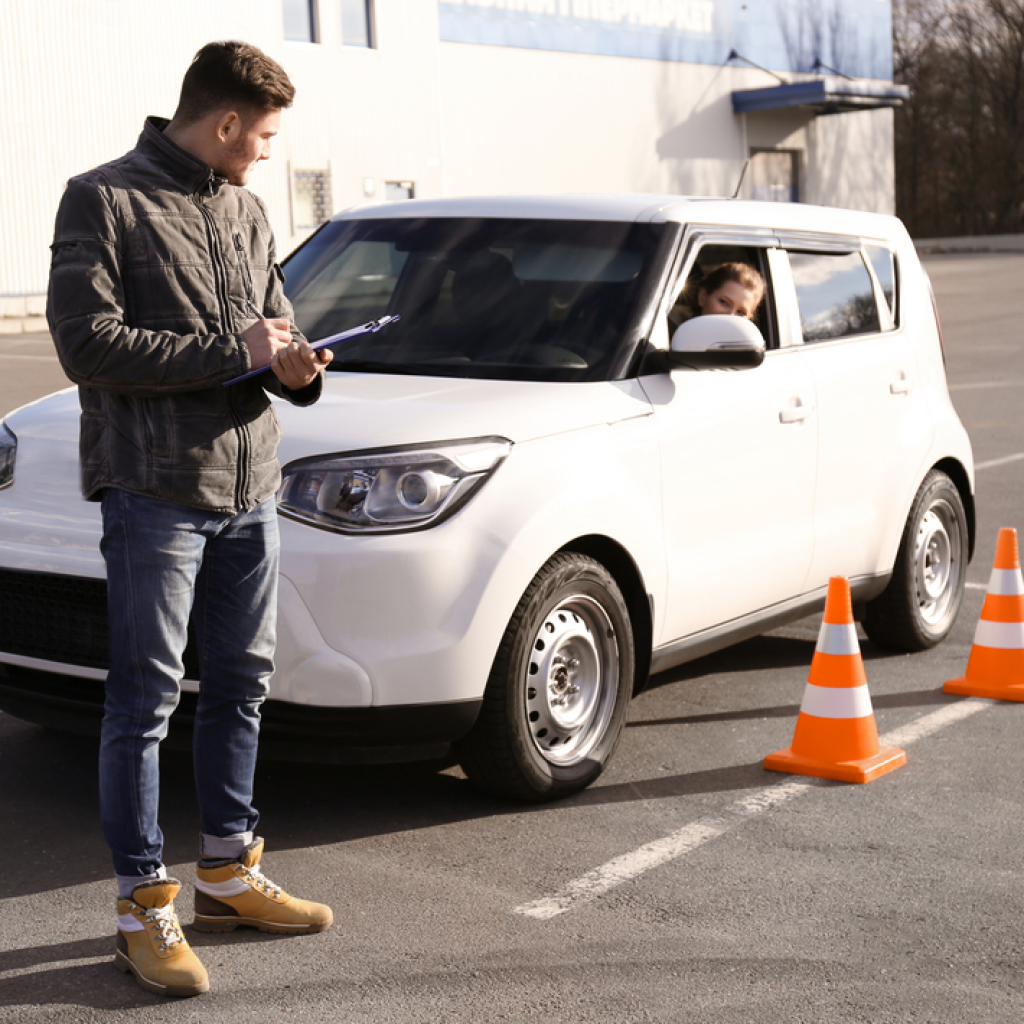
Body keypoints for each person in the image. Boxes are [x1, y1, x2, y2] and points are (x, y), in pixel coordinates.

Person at [46, 41, 333, 999]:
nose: (265, 152)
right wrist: (231, 351)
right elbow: (88, 345)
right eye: (262, 135)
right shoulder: (102, 199)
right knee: (144, 701)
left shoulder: (248, 211)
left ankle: (227, 872)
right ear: (222, 124)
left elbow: (270, 329)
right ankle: (141, 906)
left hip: (254, 488)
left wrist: (294, 367)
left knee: (244, 683)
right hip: (155, 490)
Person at [668, 261, 765, 334]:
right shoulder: (667, 329)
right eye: (724, 302)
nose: (731, 316)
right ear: (703, 297)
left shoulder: (747, 353)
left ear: (749, 319)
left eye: (741, 312)